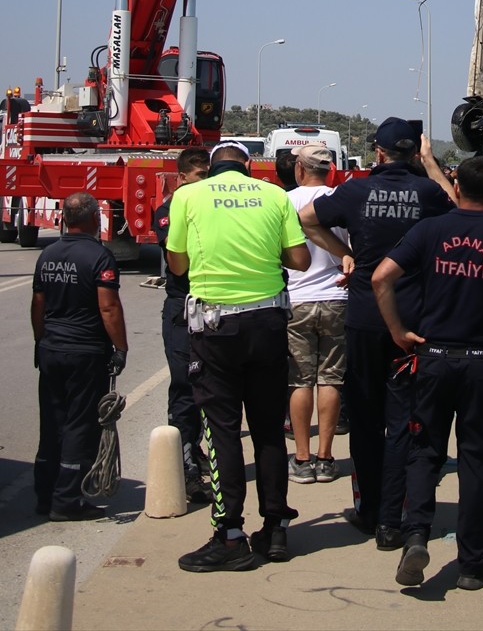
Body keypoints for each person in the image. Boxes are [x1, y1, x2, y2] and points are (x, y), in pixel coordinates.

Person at [371, 156, 483, 591]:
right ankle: (473, 564)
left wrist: (399, 331)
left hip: (432, 358)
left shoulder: (429, 230)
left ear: (456, 188)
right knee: (477, 459)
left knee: (426, 451)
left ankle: (416, 535)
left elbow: (381, 278)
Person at [167, 139, 341, 573]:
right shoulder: (272, 196)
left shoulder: (187, 196)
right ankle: (276, 528)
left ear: (210, 168)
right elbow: (300, 259)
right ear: (248, 167)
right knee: (266, 429)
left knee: (222, 431)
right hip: (267, 325)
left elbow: (177, 266)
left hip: (216, 328)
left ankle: (229, 535)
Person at [297, 116, 456, 549]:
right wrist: (431, 164)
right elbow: (459, 210)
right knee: (404, 418)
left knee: (365, 417)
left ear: (379, 153)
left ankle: (369, 510)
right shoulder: (427, 193)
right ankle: (396, 515)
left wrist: (344, 254)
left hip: (366, 317)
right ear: (412, 153)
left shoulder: (355, 190)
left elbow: (308, 219)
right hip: (414, 322)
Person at [31, 192, 128, 521]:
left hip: (51, 349)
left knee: (51, 422)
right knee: (79, 425)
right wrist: (121, 348)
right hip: (85, 352)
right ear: (92, 219)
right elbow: (108, 307)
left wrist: (40, 340)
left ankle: (44, 495)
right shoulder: (99, 257)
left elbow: (38, 305)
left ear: (64, 220)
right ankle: (67, 500)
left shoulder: (48, 254)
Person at [284, 144, 348, 485]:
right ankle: (326, 458)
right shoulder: (340, 199)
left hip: (297, 300)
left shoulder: (285, 201)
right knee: (331, 379)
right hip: (337, 296)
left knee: (300, 379)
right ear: (330, 169)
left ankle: (302, 457)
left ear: (299, 168)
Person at [152, 146, 210, 502]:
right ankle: (185, 463)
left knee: (209, 386)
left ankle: (195, 447)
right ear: (184, 177)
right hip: (182, 305)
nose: (205, 182)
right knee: (185, 387)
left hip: (212, 304)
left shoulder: (208, 206)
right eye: (201, 176)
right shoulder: (170, 209)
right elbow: (178, 261)